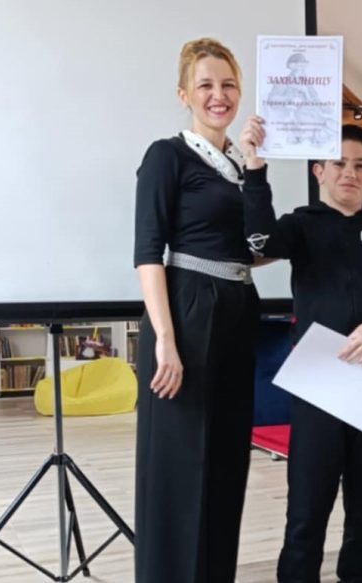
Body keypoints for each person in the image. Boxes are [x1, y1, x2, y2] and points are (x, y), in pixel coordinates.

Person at [238, 121, 362, 582]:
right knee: (308, 506)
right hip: (318, 384)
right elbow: (258, 241)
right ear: (318, 171)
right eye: (339, 163)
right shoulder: (301, 225)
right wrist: (255, 168)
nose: (349, 172)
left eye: (361, 165)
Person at [132, 37, 258, 583]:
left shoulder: (241, 164)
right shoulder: (167, 155)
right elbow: (147, 252)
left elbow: (252, 247)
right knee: (180, 467)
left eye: (228, 84)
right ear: (184, 94)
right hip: (186, 312)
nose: (218, 94)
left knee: (227, 462)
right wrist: (166, 338)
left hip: (238, 310)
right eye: (205, 84)